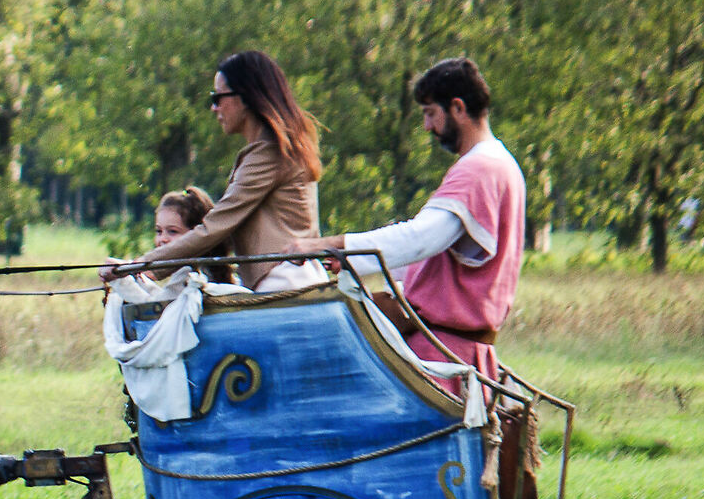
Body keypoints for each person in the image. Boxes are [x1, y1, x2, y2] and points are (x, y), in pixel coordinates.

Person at [300, 57, 525, 384]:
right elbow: (438, 257)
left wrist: (333, 246)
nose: (427, 126)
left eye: (431, 113)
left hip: (442, 355)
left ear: (458, 108)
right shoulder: (502, 164)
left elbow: (419, 240)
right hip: (455, 351)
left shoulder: (479, 169)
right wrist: (353, 262)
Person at [105, 50, 327, 291]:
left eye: (218, 97)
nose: (213, 107)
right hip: (292, 282)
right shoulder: (275, 150)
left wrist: (140, 267)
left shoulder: (270, 155)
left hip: (285, 284)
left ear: (246, 96)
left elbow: (216, 226)